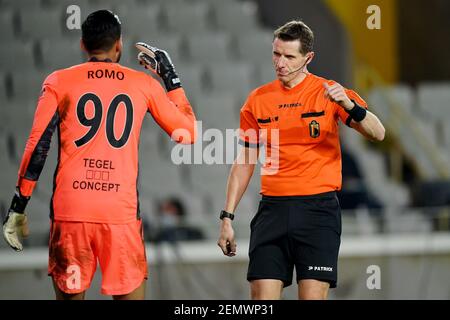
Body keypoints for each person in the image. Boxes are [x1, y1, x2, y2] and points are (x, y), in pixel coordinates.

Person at [2, 10, 197, 300]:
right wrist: (170, 78)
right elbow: (188, 133)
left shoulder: (59, 81)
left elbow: (37, 145)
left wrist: (19, 205)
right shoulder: (143, 84)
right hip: (120, 212)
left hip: (72, 212)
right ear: (118, 45)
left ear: (83, 44)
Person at [217, 20, 385, 300]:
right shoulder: (257, 100)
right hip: (272, 210)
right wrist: (227, 217)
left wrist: (349, 105)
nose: (280, 63)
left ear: (308, 58)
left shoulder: (330, 92)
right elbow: (245, 160)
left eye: (289, 56)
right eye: (276, 54)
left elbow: (377, 133)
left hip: (317, 211)